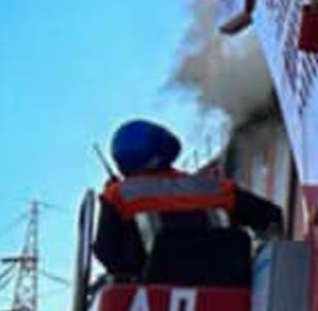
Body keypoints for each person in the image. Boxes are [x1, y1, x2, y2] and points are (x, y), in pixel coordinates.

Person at [94, 118, 282, 285]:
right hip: (232, 293)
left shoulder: (118, 195)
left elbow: (107, 252)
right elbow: (270, 217)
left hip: (154, 303)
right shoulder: (216, 188)